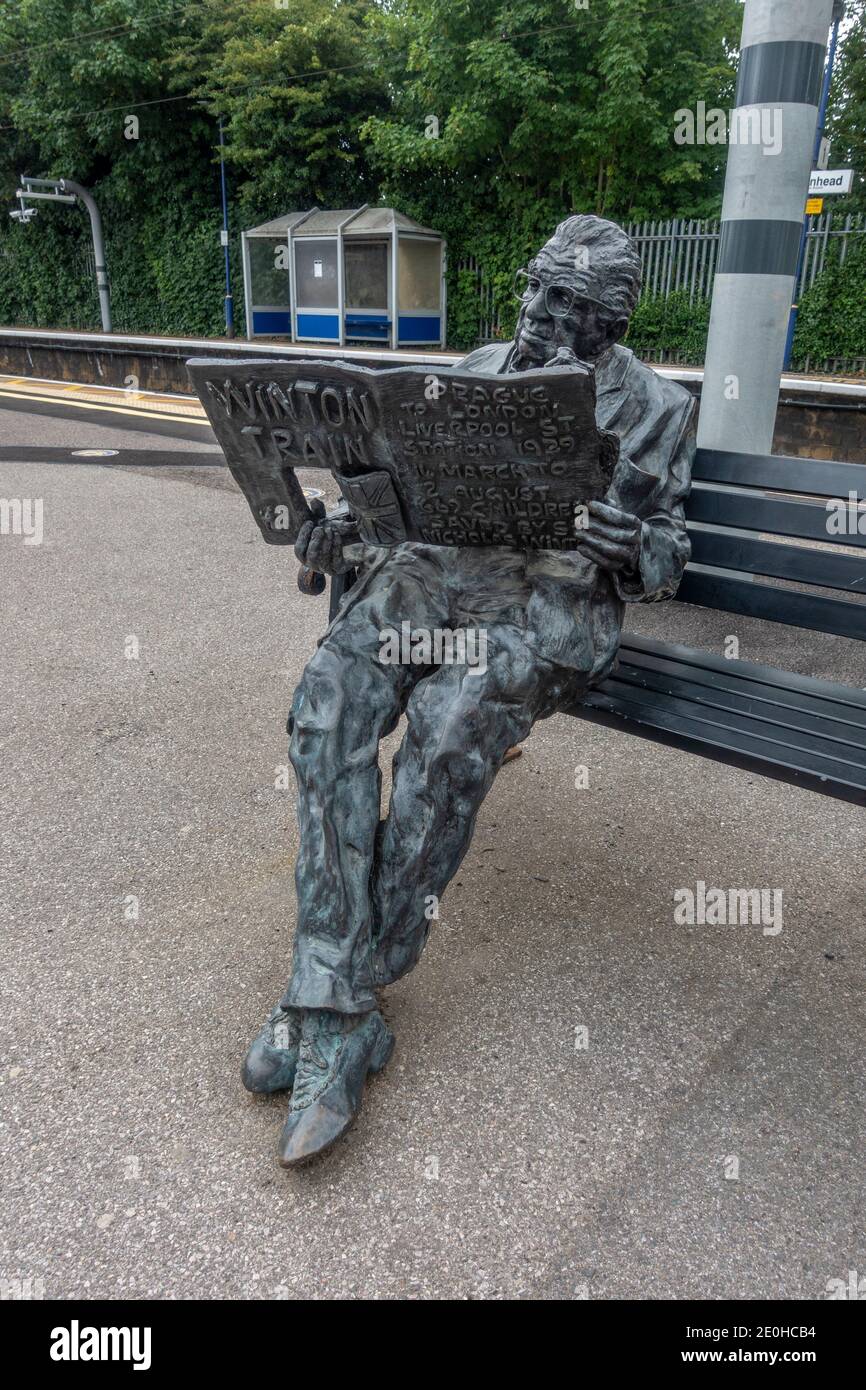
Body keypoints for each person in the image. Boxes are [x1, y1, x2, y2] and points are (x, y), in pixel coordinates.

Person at [242, 214, 696, 1166]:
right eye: (543, 292)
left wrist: (635, 547)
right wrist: (338, 541)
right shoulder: (473, 367)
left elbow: (669, 554)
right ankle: (340, 1011)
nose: (549, 318)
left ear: (613, 323)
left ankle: (330, 1000)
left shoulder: (656, 406)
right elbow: (392, 510)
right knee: (326, 710)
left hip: (539, 610)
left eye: (577, 309)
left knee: (447, 728)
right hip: (428, 582)